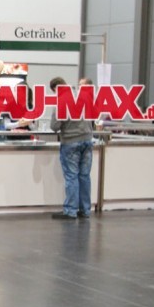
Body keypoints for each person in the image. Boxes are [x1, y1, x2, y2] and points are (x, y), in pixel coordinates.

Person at [50, 76, 94, 220]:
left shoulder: (61, 100)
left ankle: (70, 210)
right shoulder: (83, 95)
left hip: (71, 142)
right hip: (87, 140)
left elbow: (54, 126)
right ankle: (85, 209)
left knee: (71, 176)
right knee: (84, 176)